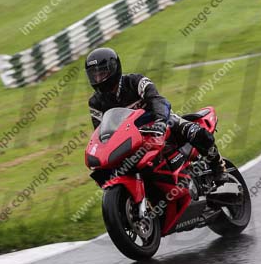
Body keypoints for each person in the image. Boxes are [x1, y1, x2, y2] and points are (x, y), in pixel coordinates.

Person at [85, 46, 228, 184]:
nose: (98, 78)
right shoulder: (95, 102)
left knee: (194, 131)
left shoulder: (136, 82)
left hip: (158, 122)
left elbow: (158, 100)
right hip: (129, 137)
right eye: (94, 75)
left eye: (102, 73)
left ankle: (218, 167)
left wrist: (160, 120)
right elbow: (101, 131)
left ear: (114, 68)